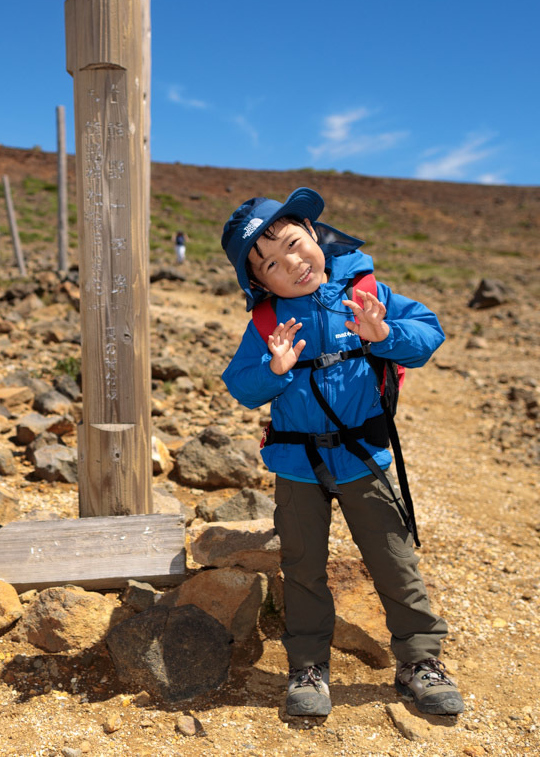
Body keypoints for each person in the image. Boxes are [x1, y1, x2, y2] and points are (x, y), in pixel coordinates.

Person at [219, 187, 463, 719]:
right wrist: (273, 370)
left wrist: (384, 334)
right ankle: (308, 666)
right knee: (302, 566)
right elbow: (241, 385)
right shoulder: (266, 324)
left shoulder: (366, 292)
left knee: (393, 561)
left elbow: (428, 333)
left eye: (293, 243)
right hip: (297, 466)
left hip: (362, 457)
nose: (292, 264)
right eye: (272, 264)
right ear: (259, 282)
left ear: (314, 234)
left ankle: (420, 660)